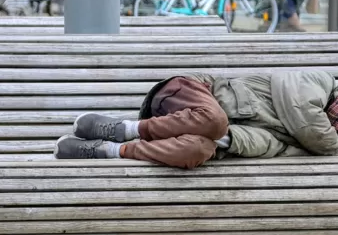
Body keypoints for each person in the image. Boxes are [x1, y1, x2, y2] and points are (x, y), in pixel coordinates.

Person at [54, 71, 338, 169]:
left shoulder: (304, 141)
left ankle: (111, 150)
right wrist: (329, 144)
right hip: (188, 93)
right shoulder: (319, 82)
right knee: (215, 120)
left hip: (201, 130)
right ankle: (126, 129)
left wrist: (225, 142)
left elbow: (263, 144)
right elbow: (307, 120)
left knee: (199, 150)